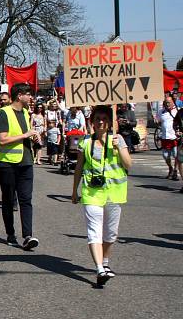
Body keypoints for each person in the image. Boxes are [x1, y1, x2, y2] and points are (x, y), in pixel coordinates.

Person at [72, 105, 132, 287]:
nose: (100, 122)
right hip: (92, 192)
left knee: (111, 233)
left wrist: (118, 149)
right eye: (97, 119)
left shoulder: (118, 139)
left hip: (114, 193)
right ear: (92, 121)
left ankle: (105, 262)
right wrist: (74, 190)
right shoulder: (86, 142)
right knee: (94, 231)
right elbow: (79, 168)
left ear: (109, 122)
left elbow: (128, 165)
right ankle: (99, 269)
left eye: (104, 119)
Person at [0, 83, 39, 250]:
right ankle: (10, 233)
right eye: (28, 94)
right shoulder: (4, 113)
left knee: (26, 199)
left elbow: (24, 136)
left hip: (26, 161)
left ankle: (28, 235)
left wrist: (33, 138)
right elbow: (2, 139)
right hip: (8, 164)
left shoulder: (26, 112)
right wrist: (25, 135)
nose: (31, 97)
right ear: (20, 96)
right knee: (8, 199)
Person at [156, 96, 178, 180]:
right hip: (165, 138)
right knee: (165, 156)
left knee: (176, 155)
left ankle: (175, 170)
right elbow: (158, 122)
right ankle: (170, 168)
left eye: (169, 102)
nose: (167, 104)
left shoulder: (178, 111)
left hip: (175, 137)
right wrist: (156, 121)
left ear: (173, 102)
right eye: (166, 102)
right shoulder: (161, 112)